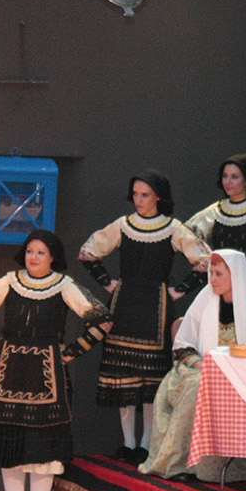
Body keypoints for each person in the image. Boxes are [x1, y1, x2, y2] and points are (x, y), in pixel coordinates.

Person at [0, 230, 112, 491]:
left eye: (41, 252)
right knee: (11, 449)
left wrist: (70, 352)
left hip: (47, 376)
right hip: (9, 373)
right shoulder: (10, 281)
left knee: (44, 452)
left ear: (53, 257)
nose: (34, 257)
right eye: (30, 251)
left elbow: (102, 320)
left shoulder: (64, 285)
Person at [78, 171, 210, 464]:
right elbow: (88, 252)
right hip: (124, 305)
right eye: (135, 194)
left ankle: (147, 444)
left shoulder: (173, 228)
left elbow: (206, 260)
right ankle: (128, 443)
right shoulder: (123, 225)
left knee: (151, 380)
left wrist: (180, 290)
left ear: (158, 197)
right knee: (123, 376)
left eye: (145, 195)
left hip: (156, 308)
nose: (138, 200)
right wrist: (107, 283)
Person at [139, 249, 246, 480]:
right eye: (211, 274)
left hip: (240, 375)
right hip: (200, 369)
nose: (212, 280)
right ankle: (181, 464)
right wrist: (203, 366)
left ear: (235, 275)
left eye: (218, 274)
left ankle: (216, 467)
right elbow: (183, 343)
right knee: (199, 386)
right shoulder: (204, 300)